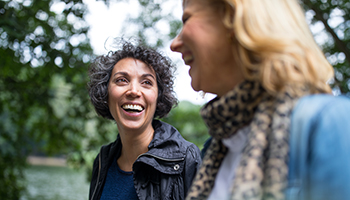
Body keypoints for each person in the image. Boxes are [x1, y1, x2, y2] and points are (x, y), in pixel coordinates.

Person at [170, 0, 350, 199]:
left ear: (235, 18)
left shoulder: (329, 123)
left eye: (187, 19)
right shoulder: (216, 149)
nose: (174, 44)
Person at [88, 38, 202, 200]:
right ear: (106, 94)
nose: (134, 91)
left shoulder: (187, 159)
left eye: (146, 82)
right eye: (122, 80)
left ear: (158, 97)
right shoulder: (102, 161)